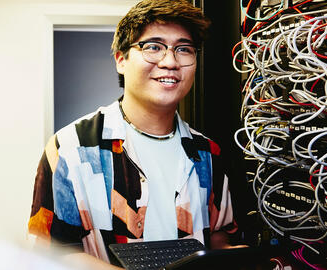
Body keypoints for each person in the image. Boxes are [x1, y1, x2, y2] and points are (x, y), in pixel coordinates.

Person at [28, 0, 240, 268]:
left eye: (184, 49)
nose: (170, 62)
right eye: (153, 47)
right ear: (121, 60)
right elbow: (50, 252)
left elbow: (220, 235)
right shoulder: (71, 148)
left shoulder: (208, 154)